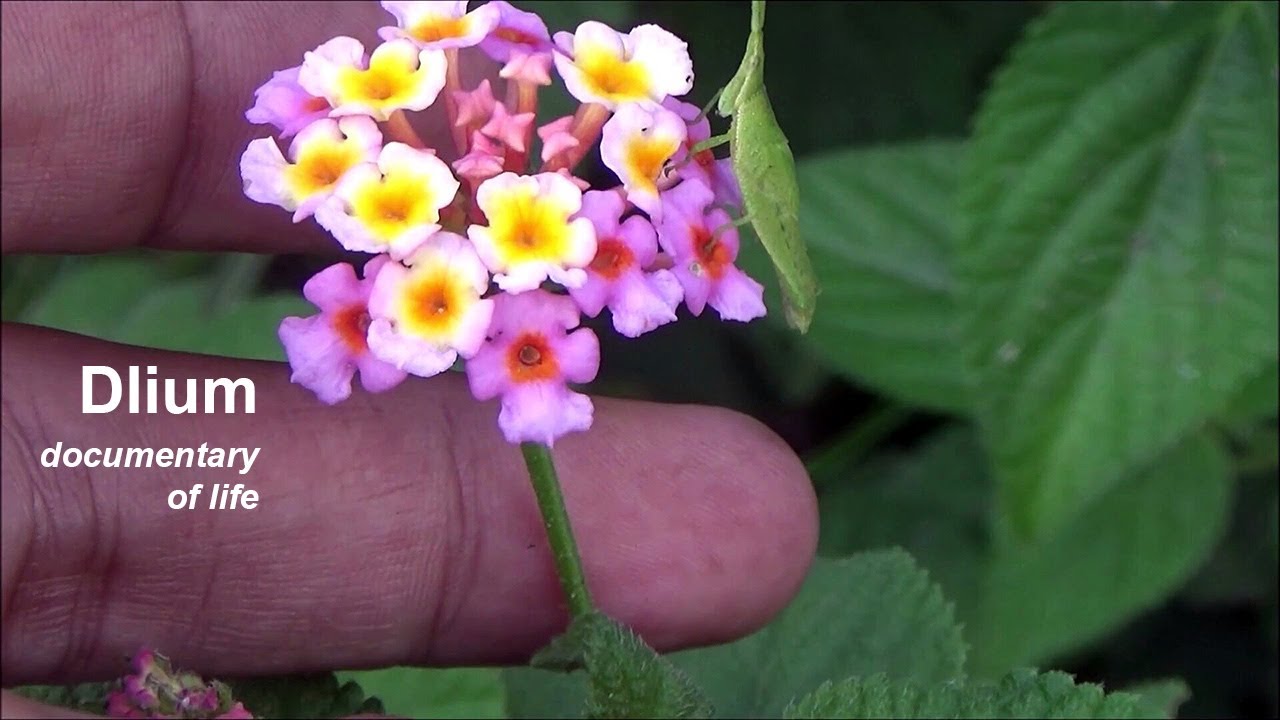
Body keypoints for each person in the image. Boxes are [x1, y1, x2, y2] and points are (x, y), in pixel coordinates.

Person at [0, 3, 818, 716]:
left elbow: (592, 227)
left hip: (531, 257)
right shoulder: (417, 182)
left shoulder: (611, 178)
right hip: (434, 277)